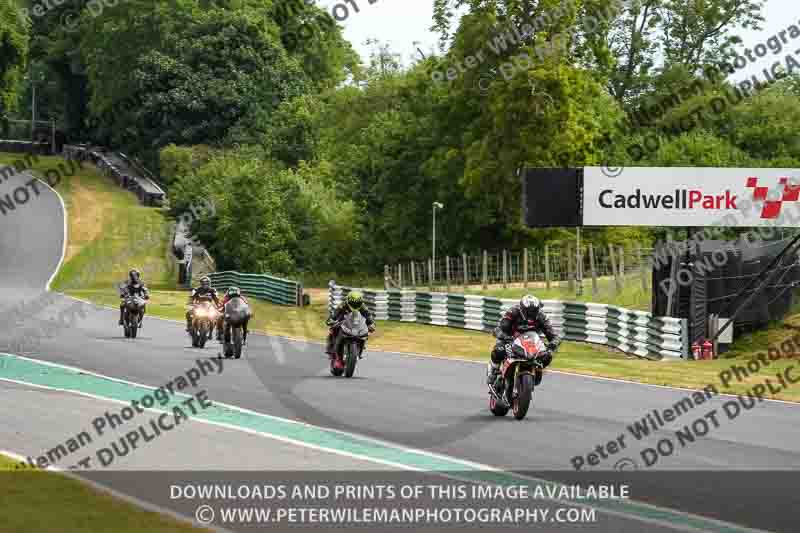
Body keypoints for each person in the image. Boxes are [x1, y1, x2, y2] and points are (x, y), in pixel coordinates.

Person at [486, 295, 561, 387]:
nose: (531, 314)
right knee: (499, 350)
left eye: (534, 311)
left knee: (548, 355)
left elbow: (554, 335)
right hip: (511, 340)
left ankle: (537, 369)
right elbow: (499, 329)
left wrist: (553, 344)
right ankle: (494, 371)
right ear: (522, 309)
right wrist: (503, 336)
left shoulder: (541, 316)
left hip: (531, 343)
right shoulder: (513, 312)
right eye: (528, 311)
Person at [325, 291, 375, 358]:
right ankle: (331, 348)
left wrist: (371, 324)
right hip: (342, 322)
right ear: (348, 301)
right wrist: (331, 320)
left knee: (366, 332)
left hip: (356, 324)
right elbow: (335, 313)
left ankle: (360, 349)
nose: (355, 305)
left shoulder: (363, 307)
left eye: (357, 303)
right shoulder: (343, 305)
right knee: (333, 329)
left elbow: (368, 316)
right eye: (353, 303)